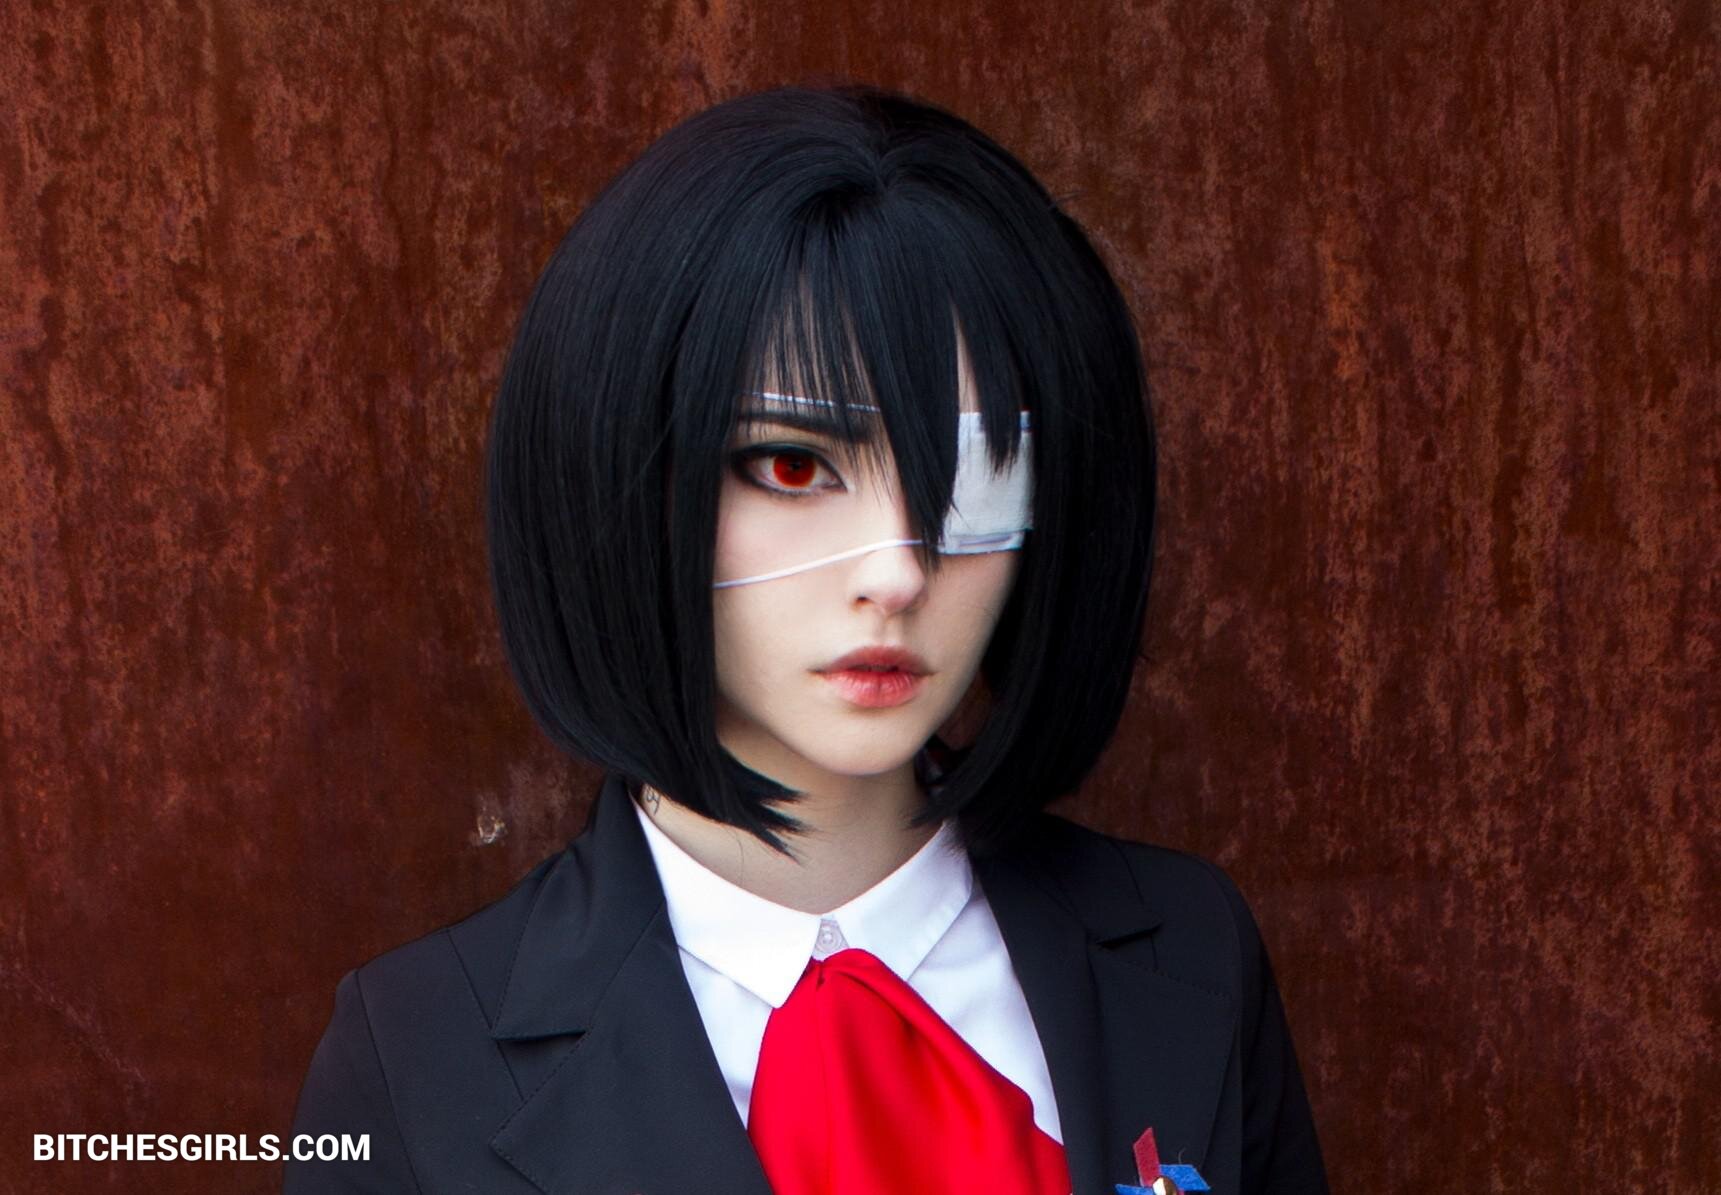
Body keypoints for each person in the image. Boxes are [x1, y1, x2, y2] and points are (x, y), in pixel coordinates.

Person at [286, 85, 1328, 1195]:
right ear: (620, 471)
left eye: (972, 473)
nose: (896, 573)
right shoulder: (417, 1055)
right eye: (791, 465)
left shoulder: (1187, 952)